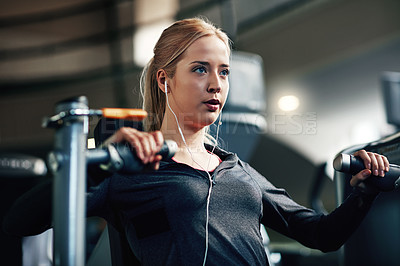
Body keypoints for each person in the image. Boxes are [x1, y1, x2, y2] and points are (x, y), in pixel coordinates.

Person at [3, 17, 391, 266]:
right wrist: (98, 164)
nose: (216, 84)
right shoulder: (128, 169)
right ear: (164, 79)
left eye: (224, 72)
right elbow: (19, 222)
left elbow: (320, 235)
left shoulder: (236, 169)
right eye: (200, 69)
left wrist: (364, 194)